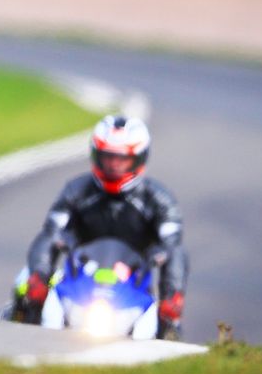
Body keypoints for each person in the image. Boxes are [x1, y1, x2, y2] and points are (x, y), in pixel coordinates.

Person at [12, 114, 189, 338]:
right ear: (96, 155)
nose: (114, 166)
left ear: (139, 159)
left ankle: (165, 342)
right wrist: (39, 276)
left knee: (169, 322)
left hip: (131, 285)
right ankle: (21, 333)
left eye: (122, 159)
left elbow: (174, 249)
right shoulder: (76, 191)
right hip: (80, 278)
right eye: (108, 158)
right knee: (24, 282)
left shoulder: (161, 201)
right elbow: (50, 234)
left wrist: (173, 297)